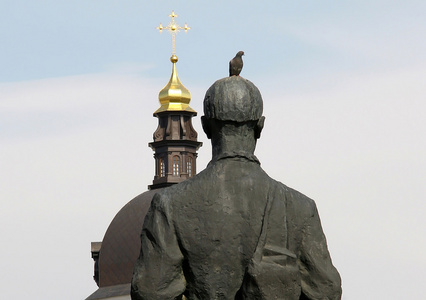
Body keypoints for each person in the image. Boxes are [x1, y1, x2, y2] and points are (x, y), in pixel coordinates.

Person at [131, 76, 342, 300]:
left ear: (205, 127)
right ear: (260, 126)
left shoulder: (170, 205)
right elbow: (326, 292)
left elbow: (149, 293)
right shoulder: (300, 208)